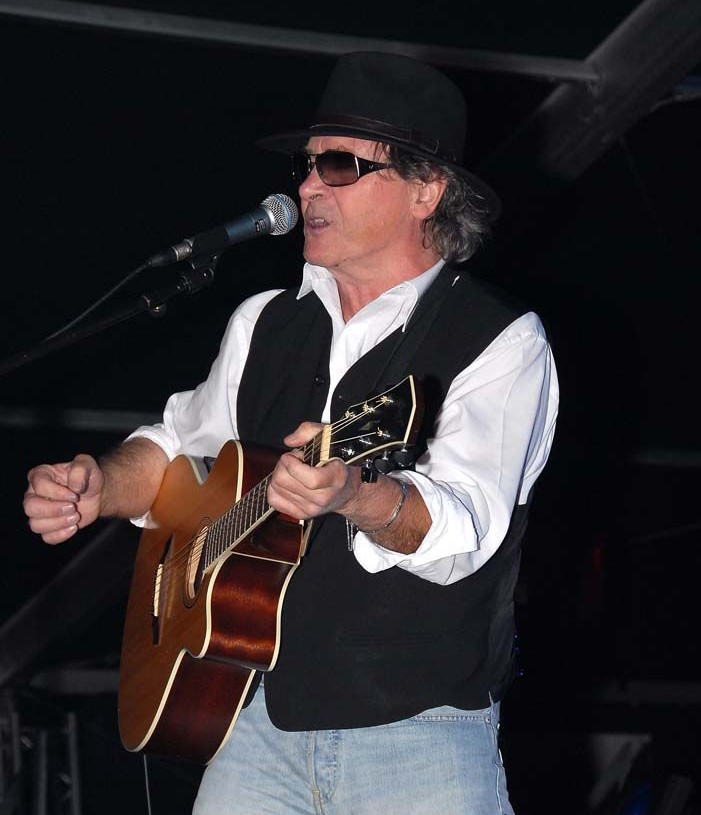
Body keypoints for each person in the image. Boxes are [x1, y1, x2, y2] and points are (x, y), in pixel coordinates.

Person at [24, 51, 559, 814]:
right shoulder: (264, 321)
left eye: (339, 165)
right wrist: (100, 487)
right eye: (307, 165)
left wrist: (354, 494)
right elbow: (177, 449)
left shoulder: (499, 339)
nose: (307, 185)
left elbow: (465, 527)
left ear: (426, 190)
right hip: (253, 724)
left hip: (419, 737)